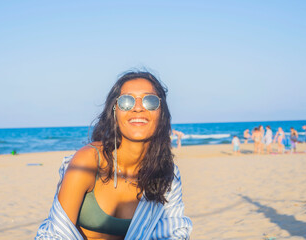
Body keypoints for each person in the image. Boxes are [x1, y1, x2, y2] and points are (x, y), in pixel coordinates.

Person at [36, 71, 192, 239]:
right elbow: (55, 234)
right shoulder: (89, 161)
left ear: (161, 113)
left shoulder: (167, 175)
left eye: (150, 101)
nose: (138, 107)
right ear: (114, 111)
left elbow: (174, 233)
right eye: (126, 101)